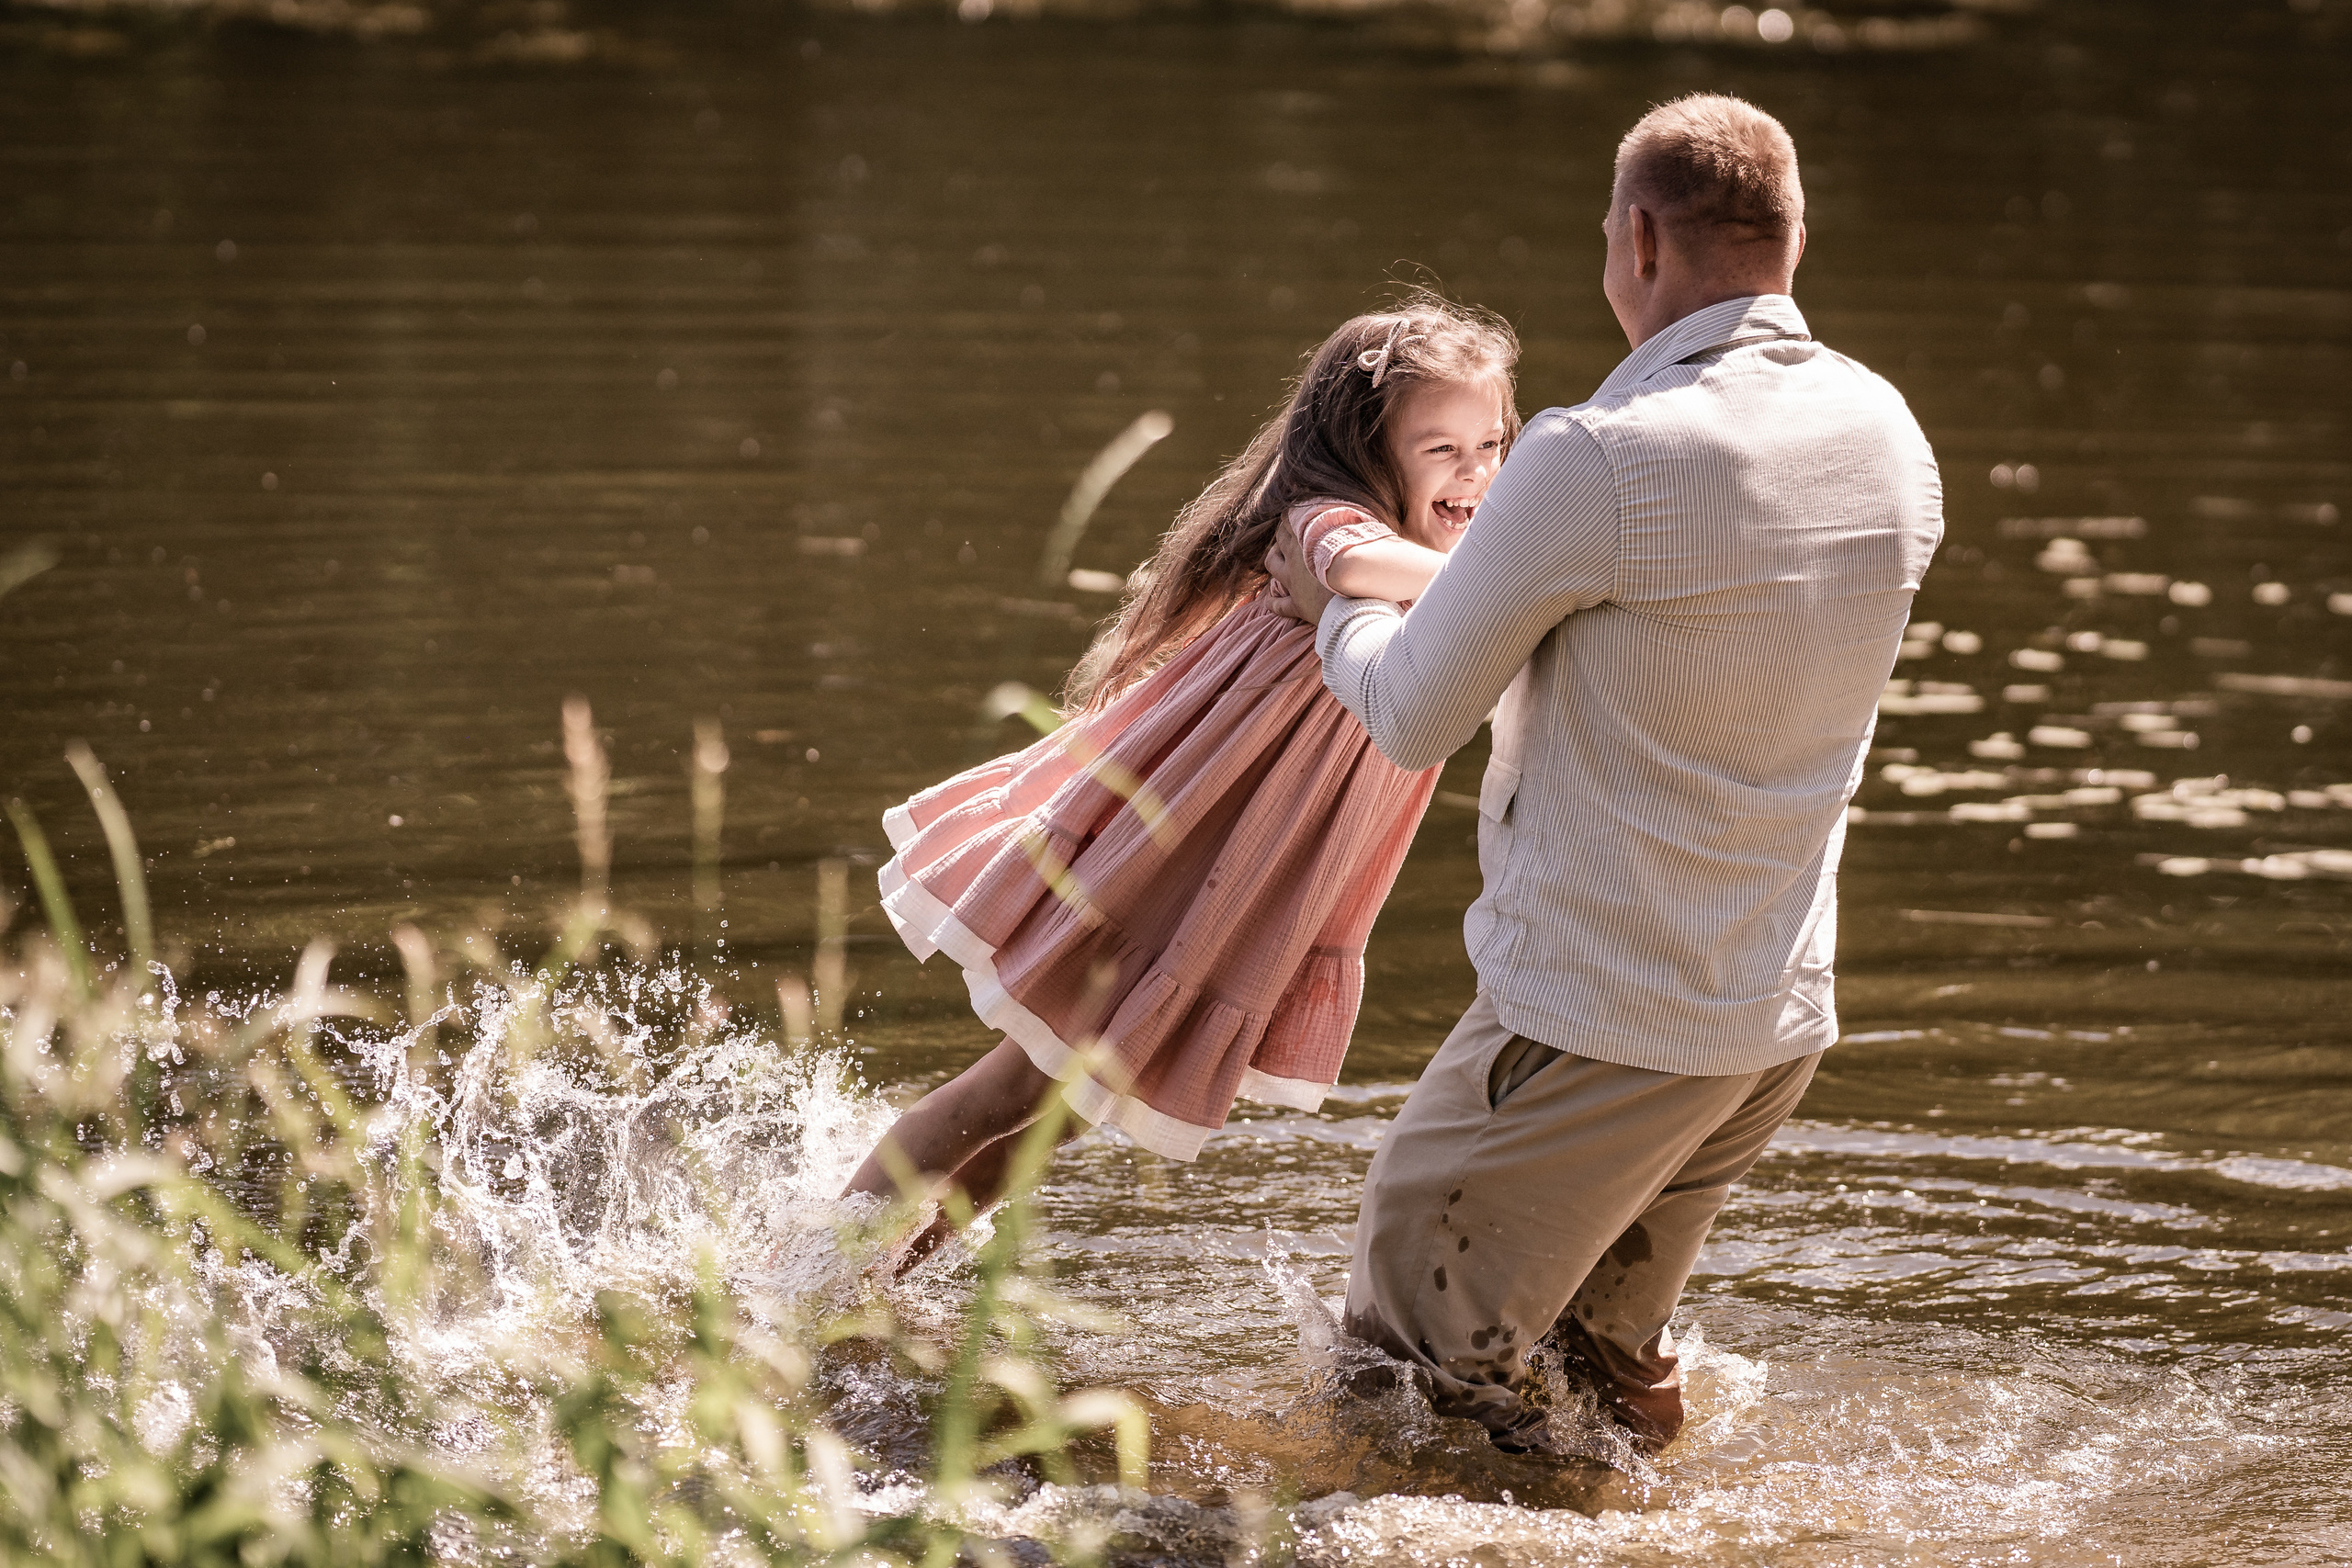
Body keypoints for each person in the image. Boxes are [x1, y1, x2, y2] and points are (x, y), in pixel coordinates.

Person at [1266, 95, 1943, 1457]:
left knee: (1395, 1388)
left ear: (1636, 238)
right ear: (1791, 236)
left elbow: (1408, 710)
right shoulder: (1887, 431)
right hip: (1766, 1024)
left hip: (1591, 1027)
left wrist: (1327, 587)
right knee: (1593, 1385)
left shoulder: (1599, 456)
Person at [842, 296, 1522, 1265]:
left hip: (1240, 881)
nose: (1475, 473)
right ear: (1365, 452)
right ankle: (810, 1277)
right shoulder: (1326, 527)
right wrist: (1519, 582)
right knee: (1017, 1084)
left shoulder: (1441, 568)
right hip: (1173, 858)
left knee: (1067, 1108)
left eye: (1491, 444)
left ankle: (891, 1271)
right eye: (1440, 449)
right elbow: (1358, 562)